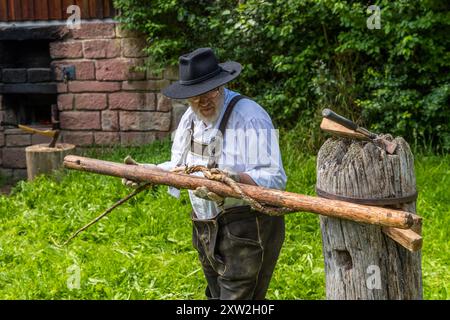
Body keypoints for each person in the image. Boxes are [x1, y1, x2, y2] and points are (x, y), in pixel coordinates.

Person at [123, 48, 287, 300]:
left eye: (210, 91)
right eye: (195, 96)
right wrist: (149, 172)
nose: (204, 101)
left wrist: (234, 180)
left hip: (247, 228)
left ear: (221, 85)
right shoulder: (190, 119)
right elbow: (181, 168)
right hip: (204, 227)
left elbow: (275, 178)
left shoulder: (250, 117)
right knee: (215, 295)